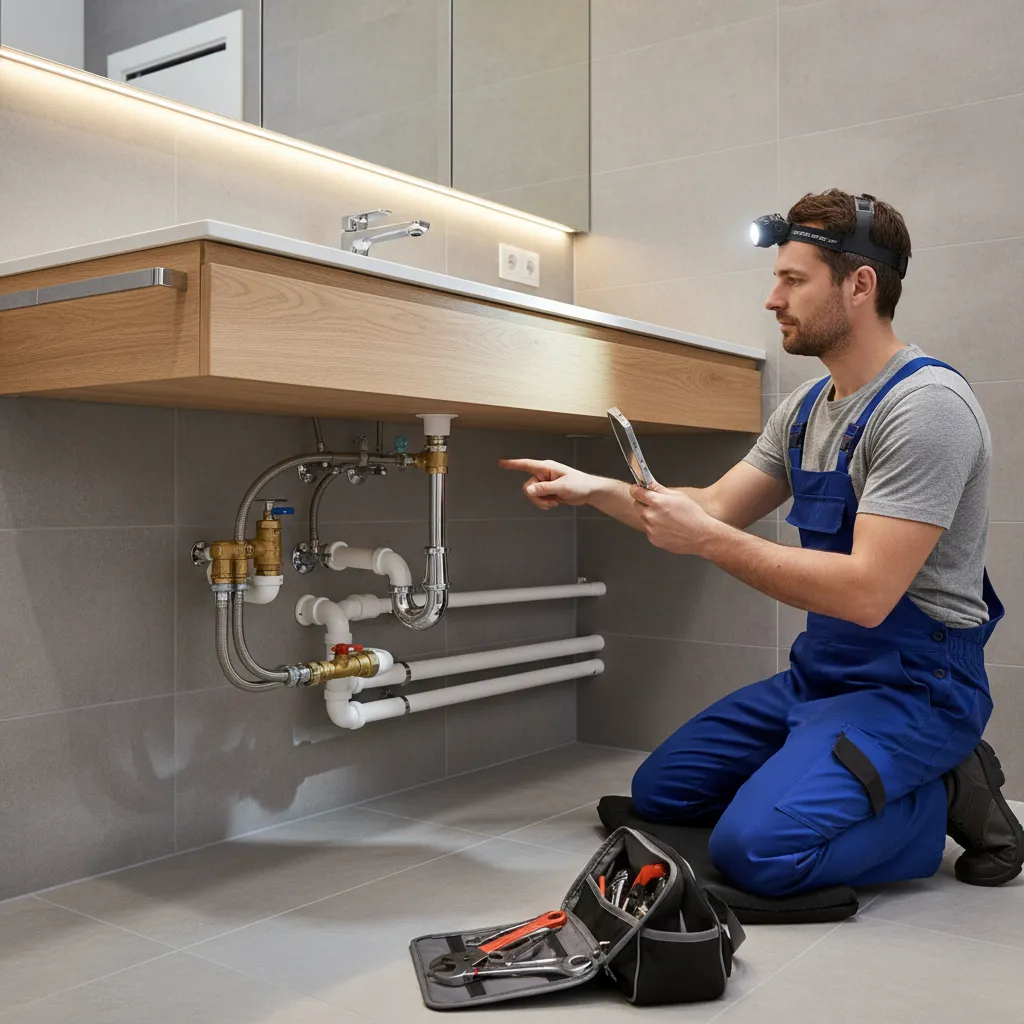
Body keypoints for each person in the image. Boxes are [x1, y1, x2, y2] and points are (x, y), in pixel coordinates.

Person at [500, 189, 1023, 897]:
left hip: (918, 685)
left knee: (759, 854)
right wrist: (592, 487)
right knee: (663, 793)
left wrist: (709, 542)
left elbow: (868, 594)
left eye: (793, 280)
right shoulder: (806, 410)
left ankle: (941, 793)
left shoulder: (925, 410)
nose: (772, 299)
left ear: (860, 284)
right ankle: (842, 771)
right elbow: (714, 507)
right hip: (824, 675)